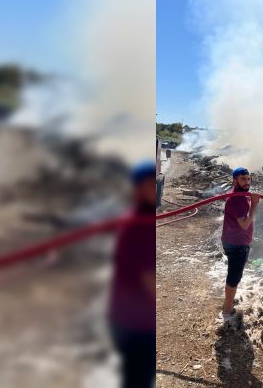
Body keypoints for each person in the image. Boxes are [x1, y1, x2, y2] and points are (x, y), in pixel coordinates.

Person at [108, 160, 157, 388]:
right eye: (150, 185)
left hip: (132, 319)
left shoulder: (143, 220)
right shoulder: (137, 225)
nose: (155, 190)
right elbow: (149, 280)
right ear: (136, 189)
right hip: (134, 323)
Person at [220, 167, 260, 321]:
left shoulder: (241, 195)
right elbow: (244, 224)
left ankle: (227, 304)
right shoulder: (237, 199)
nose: (247, 182)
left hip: (235, 241)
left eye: (248, 179)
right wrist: (254, 204)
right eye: (243, 179)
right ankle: (227, 310)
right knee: (234, 277)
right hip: (236, 244)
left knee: (234, 274)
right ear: (234, 181)